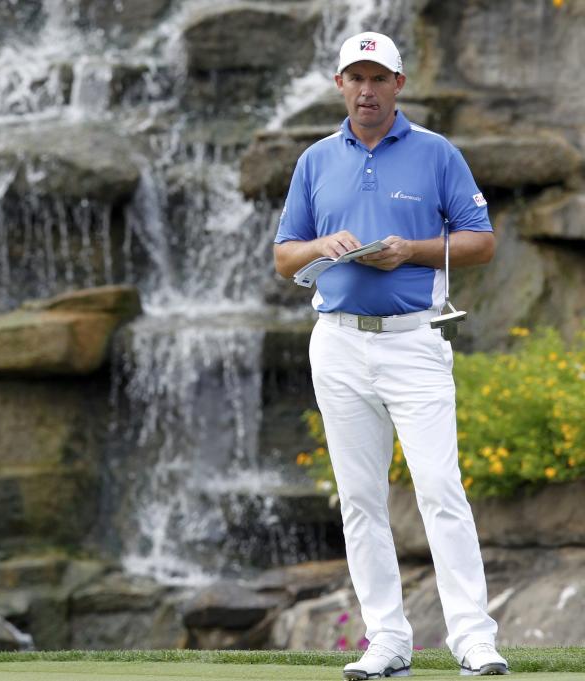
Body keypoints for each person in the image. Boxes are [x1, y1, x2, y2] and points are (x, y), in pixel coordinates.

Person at [274, 32, 509, 679]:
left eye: (379, 78)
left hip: (415, 339)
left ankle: (473, 637)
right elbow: (283, 255)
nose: (367, 90)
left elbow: (480, 242)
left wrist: (414, 250)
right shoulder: (316, 161)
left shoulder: (436, 153)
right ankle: (387, 640)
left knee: (440, 487)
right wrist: (324, 245)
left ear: (399, 85)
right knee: (359, 498)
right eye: (356, 77)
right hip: (338, 341)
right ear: (340, 84)